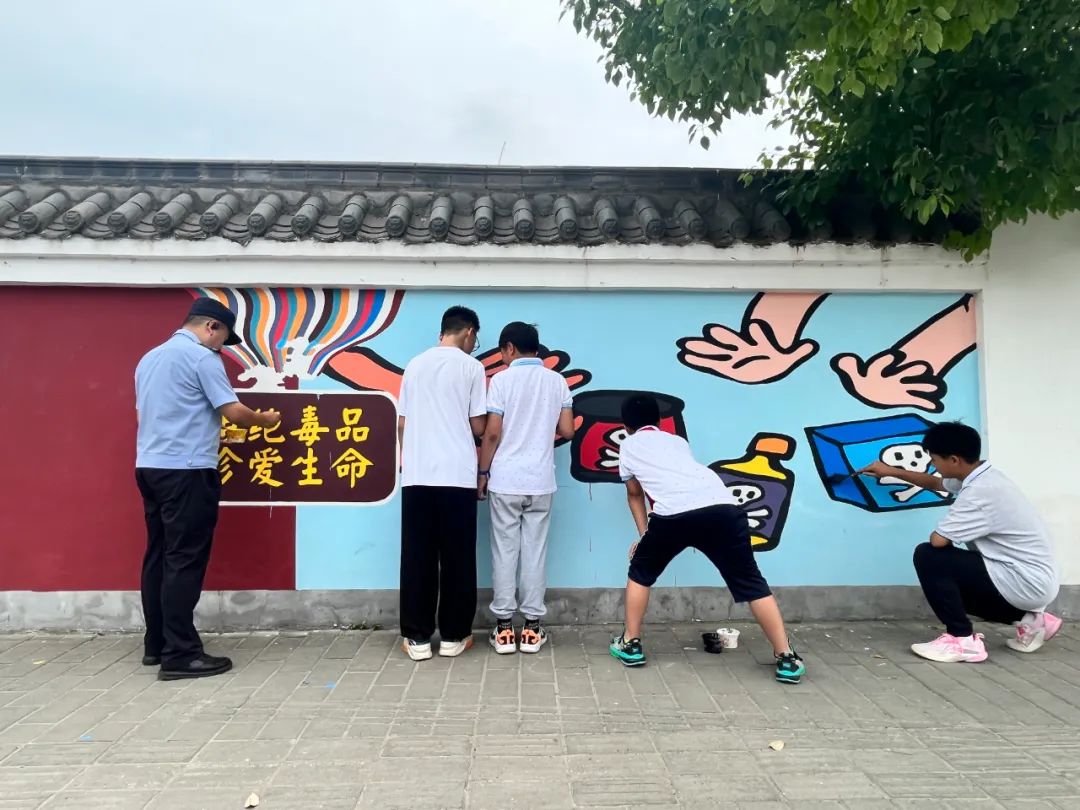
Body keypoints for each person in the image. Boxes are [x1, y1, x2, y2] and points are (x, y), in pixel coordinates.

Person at [610, 394, 806, 684]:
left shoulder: (628, 445)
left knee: (640, 572)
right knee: (751, 582)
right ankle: (786, 656)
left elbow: (635, 493)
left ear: (625, 426)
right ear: (660, 421)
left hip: (674, 515)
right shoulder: (677, 441)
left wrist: (645, 535)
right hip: (724, 509)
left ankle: (630, 643)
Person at [135, 298, 280, 681]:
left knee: (158, 555)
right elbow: (232, 411)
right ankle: (181, 654)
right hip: (187, 470)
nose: (222, 347)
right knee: (184, 559)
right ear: (211, 327)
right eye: (223, 338)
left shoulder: (149, 359)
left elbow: (144, 416)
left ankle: (156, 644)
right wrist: (264, 420)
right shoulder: (202, 358)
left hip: (150, 466)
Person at [860, 421, 1061, 663]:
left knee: (929, 557)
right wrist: (891, 471)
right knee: (951, 572)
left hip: (1024, 582)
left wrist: (949, 544)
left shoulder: (979, 493)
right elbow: (936, 483)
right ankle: (1034, 622)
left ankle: (962, 640)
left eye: (934, 459)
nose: (933, 465)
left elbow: (938, 541)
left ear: (954, 460)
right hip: (1032, 581)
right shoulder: (983, 475)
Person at [477, 322, 575, 654]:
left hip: (506, 480)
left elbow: (492, 433)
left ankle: (504, 629)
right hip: (541, 480)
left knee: (505, 551)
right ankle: (532, 628)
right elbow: (567, 430)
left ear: (509, 348)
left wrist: (483, 471)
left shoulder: (501, 381)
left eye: (502, 352)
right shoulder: (557, 381)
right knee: (535, 550)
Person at [397, 305, 487, 660]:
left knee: (417, 557)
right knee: (458, 558)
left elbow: (402, 423)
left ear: (443, 331)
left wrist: (409, 459)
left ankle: (417, 638)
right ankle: (454, 636)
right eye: (475, 339)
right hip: (457, 475)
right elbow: (478, 425)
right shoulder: (472, 368)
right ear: (469, 332)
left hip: (417, 475)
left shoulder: (415, 364)